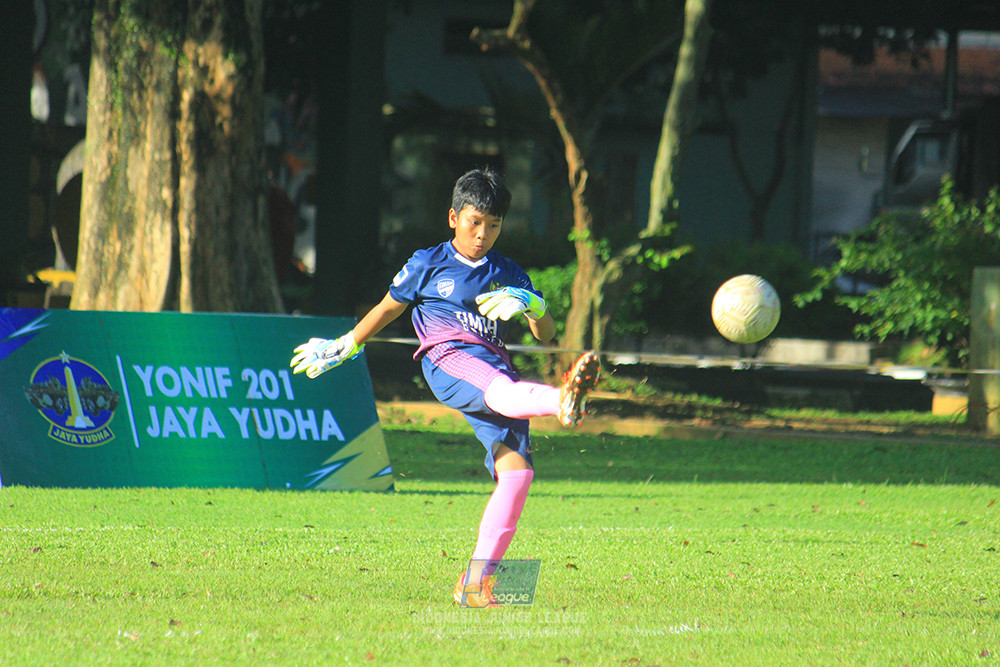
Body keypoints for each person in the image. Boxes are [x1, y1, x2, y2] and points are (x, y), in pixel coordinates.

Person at [290, 166, 600, 607]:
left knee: (518, 476)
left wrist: (533, 304)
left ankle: (474, 585)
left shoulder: (508, 271)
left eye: (493, 226)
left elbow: (546, 334)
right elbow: (387, 309)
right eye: (475, 222)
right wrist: (347, 344)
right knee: (502, 392)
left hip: (497, 373)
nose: (483, 235)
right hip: (449, 360)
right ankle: (563, 400)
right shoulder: (427, 263)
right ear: (453, 217)